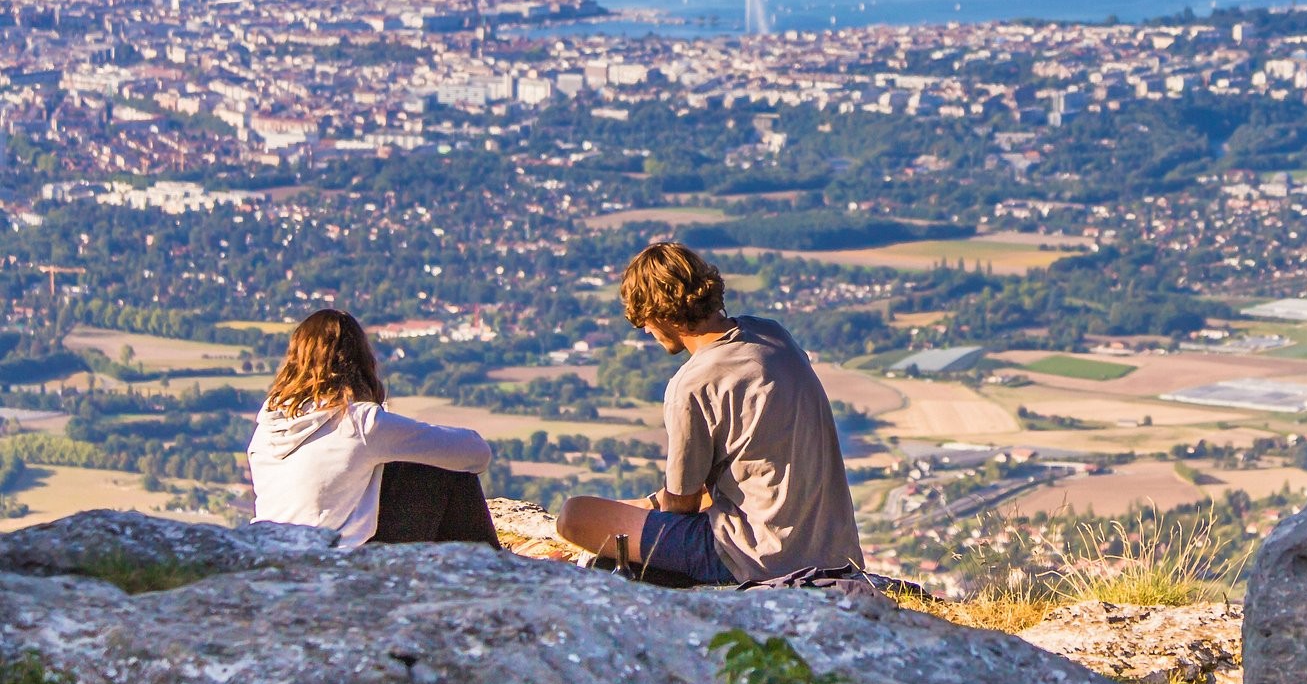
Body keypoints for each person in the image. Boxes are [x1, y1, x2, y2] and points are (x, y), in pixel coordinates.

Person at [556, 241, 863, 585]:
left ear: (659, 312)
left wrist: (641, 510)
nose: (644, 330)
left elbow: (682, 506)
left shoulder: (693, 384)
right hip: (835, 551)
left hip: (754, 556)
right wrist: (646, 505)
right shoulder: (773, 334)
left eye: (642, 319)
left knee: (574, 514)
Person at [248, 308, 500, 549]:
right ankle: (492, 576)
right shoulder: (359, 422)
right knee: (447, 471)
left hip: (271, 551)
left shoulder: (268, 425)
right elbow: (476, 454)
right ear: (359, 360)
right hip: (334, 559)